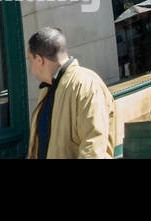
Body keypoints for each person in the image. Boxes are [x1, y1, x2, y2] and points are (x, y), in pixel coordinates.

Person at [25, 27, 117, 159]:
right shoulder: (48, 90)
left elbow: (93, 149)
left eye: (30, 60)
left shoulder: (87, 84)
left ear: (39, 60)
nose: (31, 69)